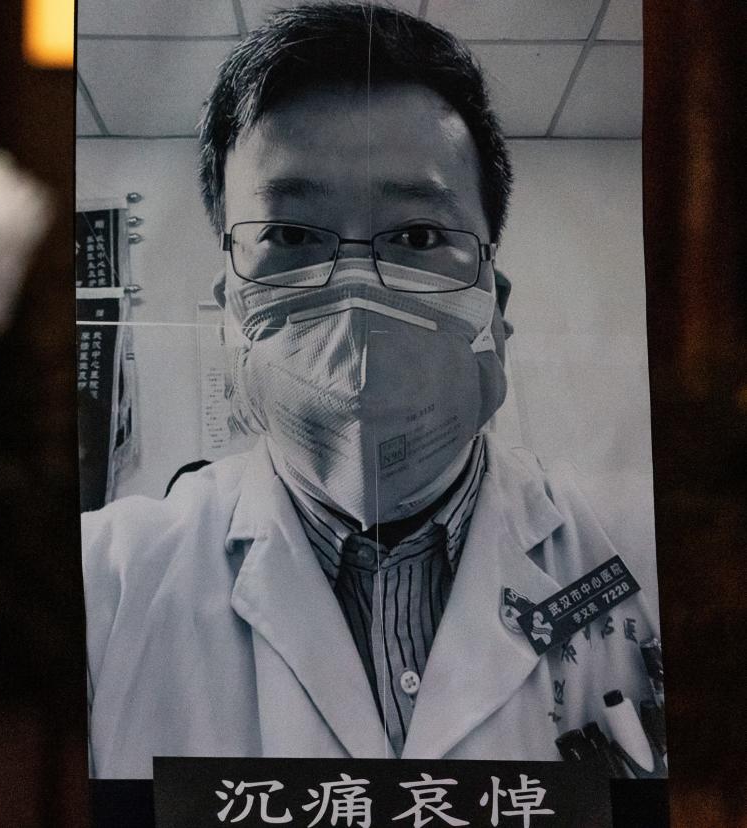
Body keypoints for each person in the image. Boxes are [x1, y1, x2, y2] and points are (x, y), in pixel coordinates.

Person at [82, 2, 661, 779]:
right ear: (227, 310)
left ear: (496, 303)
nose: (355, 291)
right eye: (290, 235)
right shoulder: (104, 586)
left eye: (418, 236)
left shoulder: (660, 563)